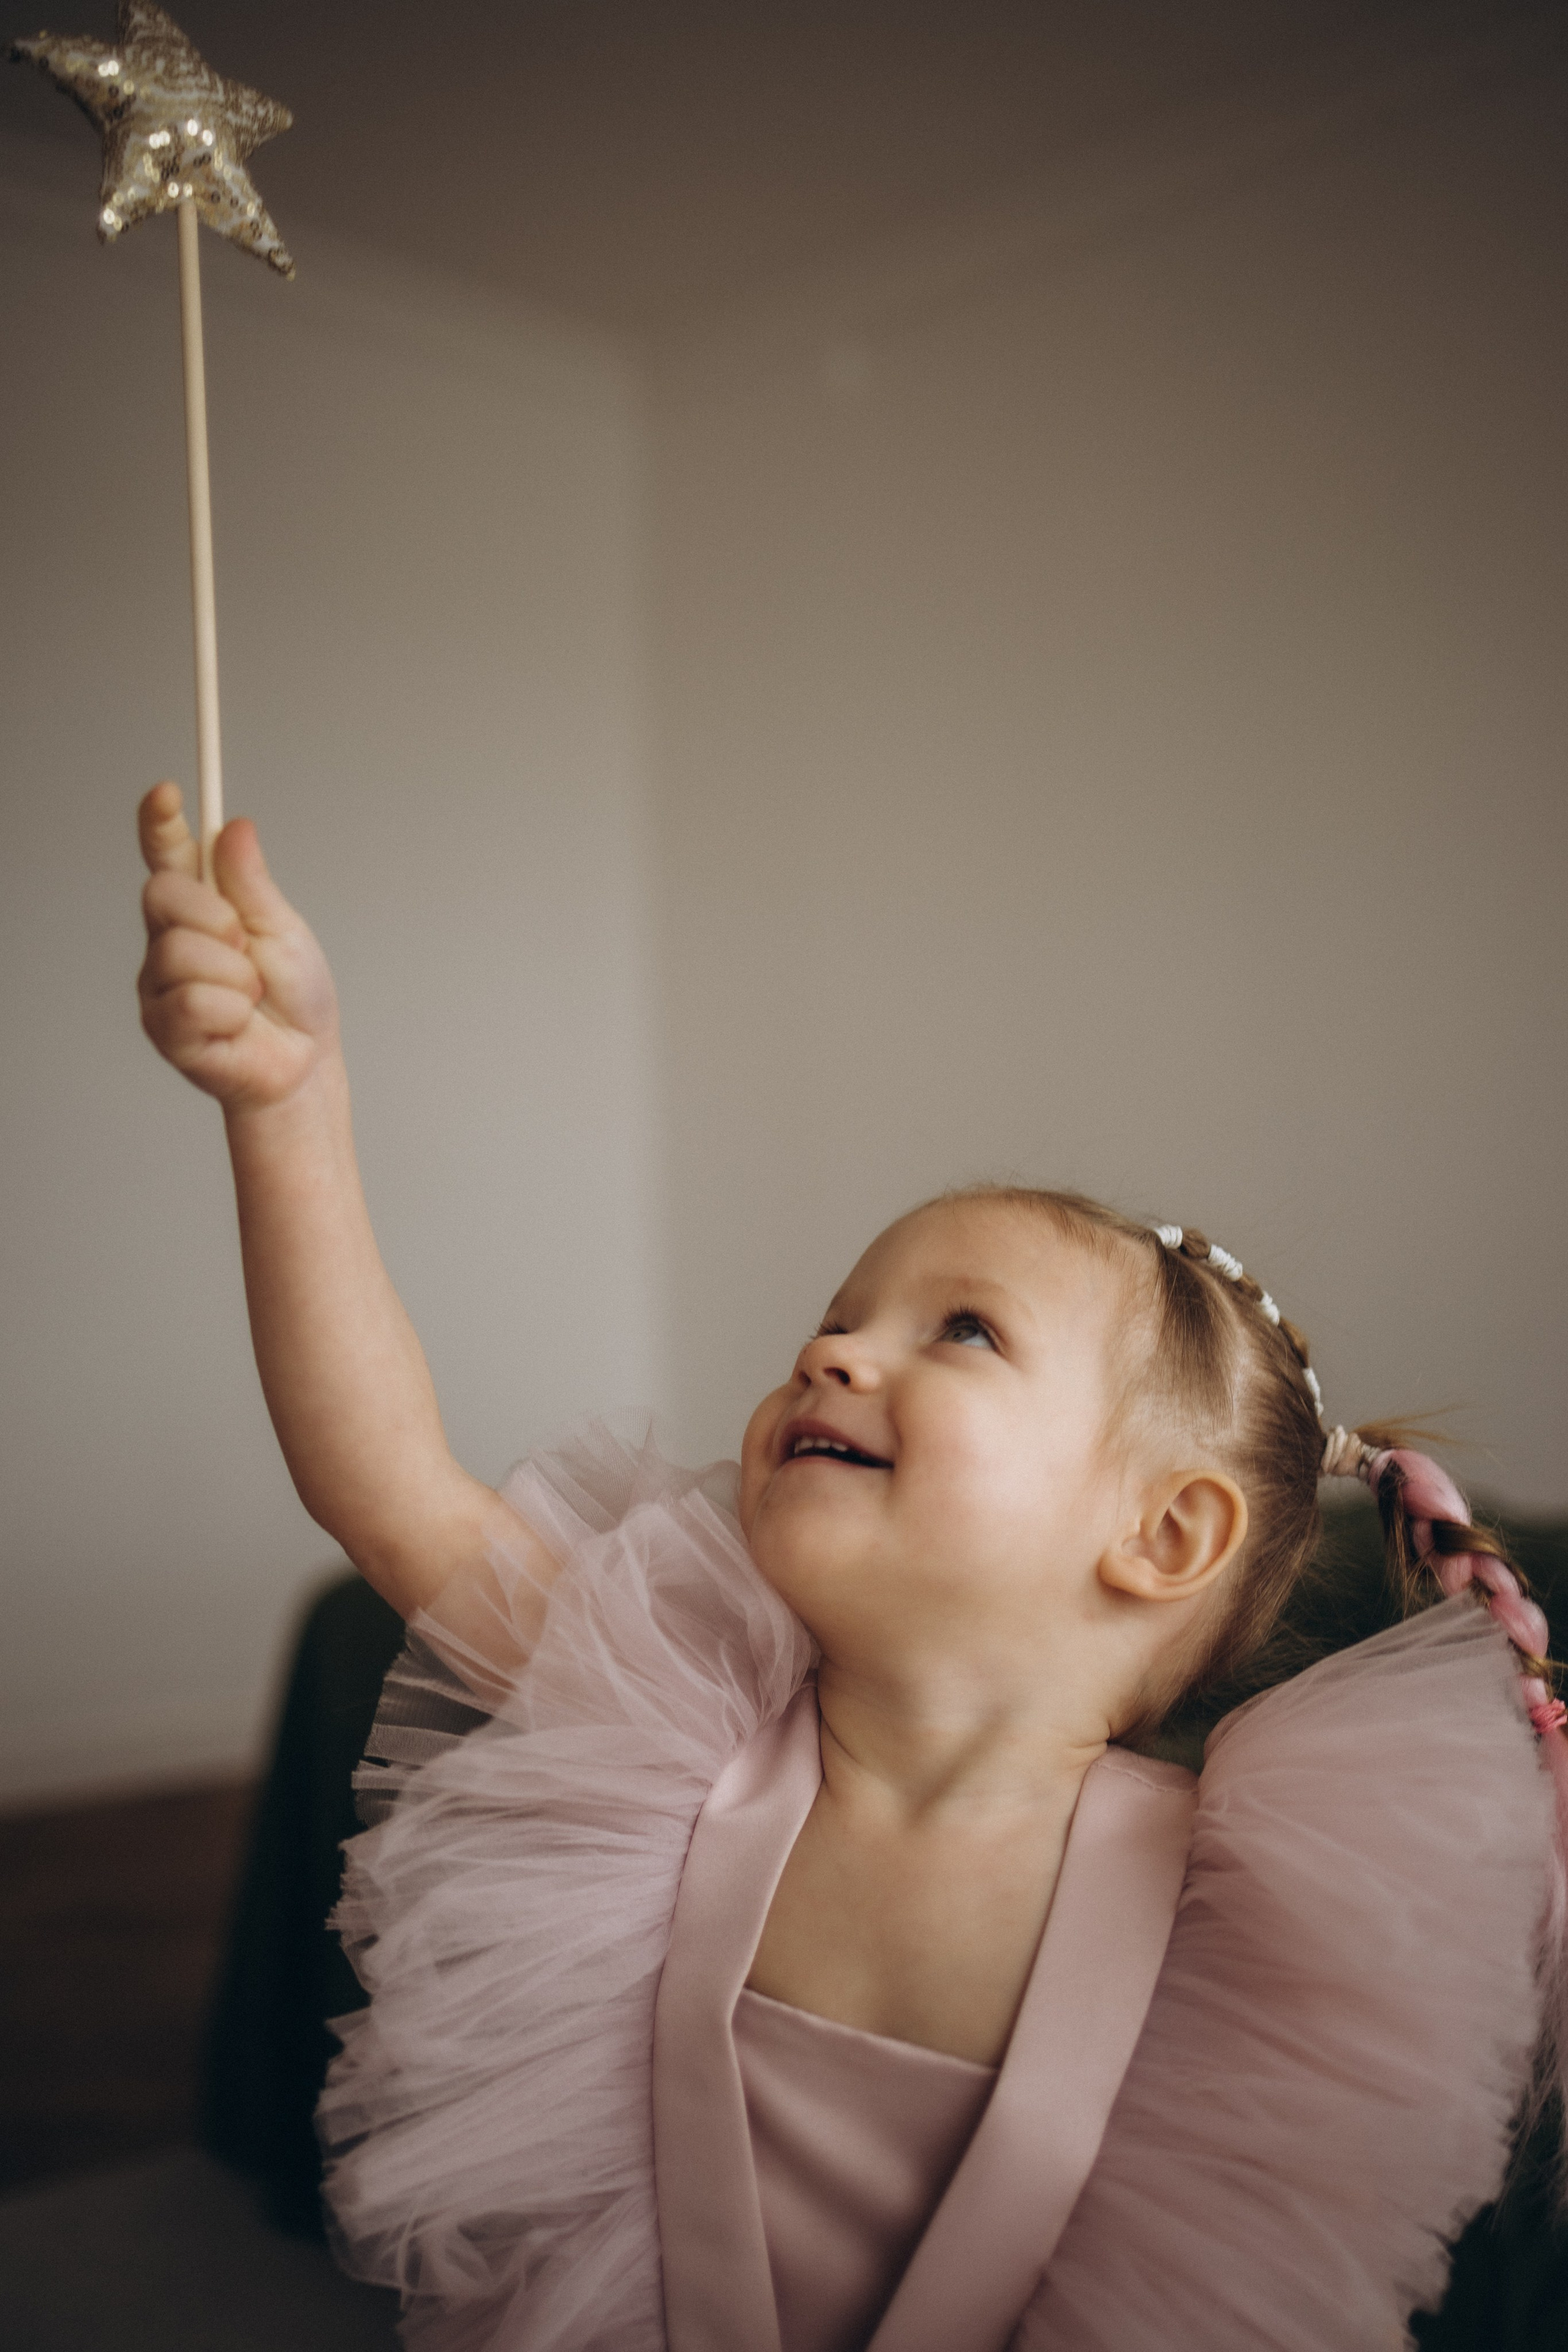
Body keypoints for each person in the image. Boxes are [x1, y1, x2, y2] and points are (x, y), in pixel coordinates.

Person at [136, 783, 1567, 2352]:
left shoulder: (1234, 1916)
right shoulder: (673, 1742)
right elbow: (386, 1479)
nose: (828, 1350)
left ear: (1161, 1537)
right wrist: (287, 1105)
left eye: (958, 1330)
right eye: (833, 1314)